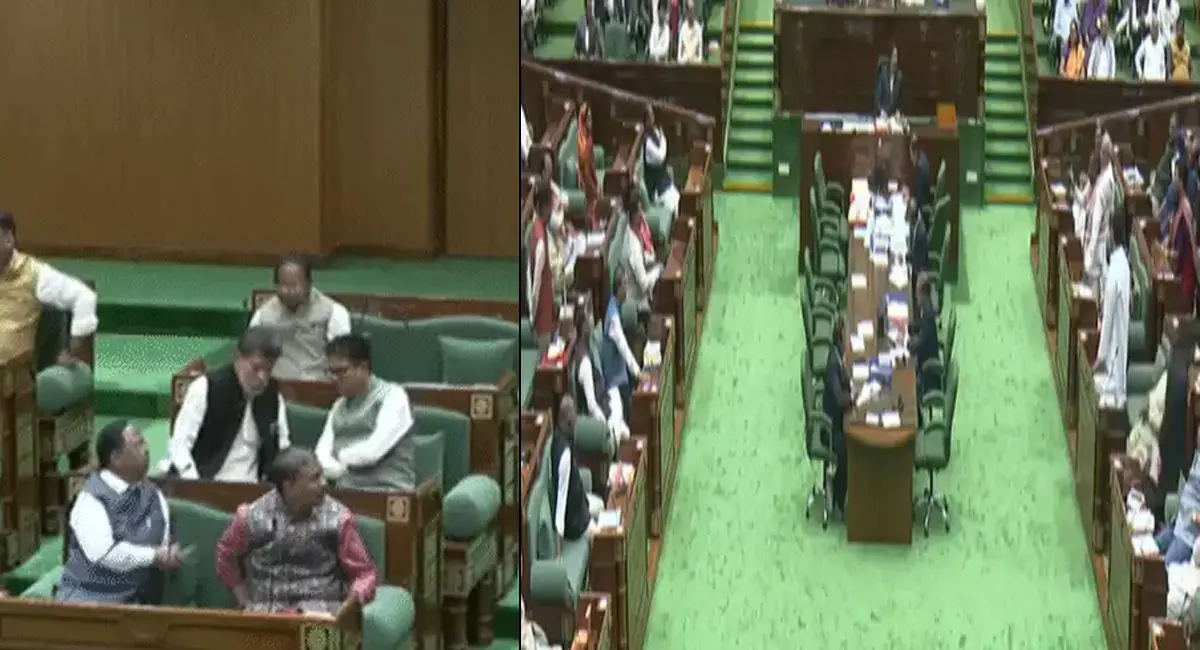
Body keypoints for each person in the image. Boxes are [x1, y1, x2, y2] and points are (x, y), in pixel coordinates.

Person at [215, 448, 378, 613]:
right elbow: (226, 555)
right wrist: (243, 600)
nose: (324, 483)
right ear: (288, 485)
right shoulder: (250, 517)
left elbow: (364, 573)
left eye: (322, 475)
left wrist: (351, 603)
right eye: (314, 478)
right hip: (265, 614)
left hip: (320, 615)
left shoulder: (338, 518)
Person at [58, 421, 181, 604]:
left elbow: (164, 541)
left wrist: (170, 553)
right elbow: (105, 554)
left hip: (139, 603)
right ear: (116, 458)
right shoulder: (91, 499)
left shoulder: (154, 495)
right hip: (90, 600)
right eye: (138, 445)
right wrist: (154, 555)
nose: (146, 450)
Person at [164, 326, 291, 481]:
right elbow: (179, 445)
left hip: (254, 487)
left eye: (268, 370)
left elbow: (282, 448)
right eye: (256, 368)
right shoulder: (205, 388)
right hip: (206, 482)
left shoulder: (273, 397)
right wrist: (196, 484)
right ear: (237, 357)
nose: (262, 378)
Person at [315, 334, 417, 491]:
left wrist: (340, 457)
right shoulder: (338, 406)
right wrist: (335, 468)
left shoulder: (393, 396)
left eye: (341, 371)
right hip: (346, 491)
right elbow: (321, 454)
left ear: (363, 367)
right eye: (331, 372)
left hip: (387, 490)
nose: (334, 378)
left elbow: (372, 452)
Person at [0, 212, 97, 365]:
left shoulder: (34, 273)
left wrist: (73, 350)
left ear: (8, 239)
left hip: (12, 373)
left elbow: (85, 297)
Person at [248, 256, 352, 382]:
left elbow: (342, 357)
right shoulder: (263, 316)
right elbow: (252, 357)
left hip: (319, 384)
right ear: (275, 286)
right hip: (278, 385)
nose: (289, 291)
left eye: (295, 285)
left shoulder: (333, 311)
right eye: (284, 285)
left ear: (309, 284)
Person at [548, 397, 604, 554]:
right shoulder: (564, 455)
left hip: (581, 504)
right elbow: (561, 500)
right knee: (604, 541)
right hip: (575, 523)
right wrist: (558, 548)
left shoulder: (558, 436)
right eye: (574, 419)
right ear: (569, 422)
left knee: (600, 504)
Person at [1094, 215, 1130, 406]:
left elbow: (1107, 319)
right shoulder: (1122, 262)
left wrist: (1100, 358)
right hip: (1117, 349)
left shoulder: (1116, 271)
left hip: (1113, 357)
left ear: (1112, 234)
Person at [600, 272, 641, 422]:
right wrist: (637, 372)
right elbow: (622, 346)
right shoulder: (613, 318)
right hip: (614, 377)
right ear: (618, 288)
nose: (627, 289)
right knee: (629, 410)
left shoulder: (615, 303)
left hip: (621, 370)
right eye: (625, 285)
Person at [526, 181, 559, 356]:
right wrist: (533, 316)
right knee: (543, 359)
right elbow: (535, 282)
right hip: (542, 315)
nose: (551, 210)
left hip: (546, 309)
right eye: (549, 206)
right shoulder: (539, 239)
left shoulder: (538, 228)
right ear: (541, 207)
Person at [824, 317, 852, 516]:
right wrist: (854, 397)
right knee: (848, 452)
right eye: (846, 338)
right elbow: (839, 398)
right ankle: (838, 498)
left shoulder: (838, 356)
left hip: (838, 419)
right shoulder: (833, 363)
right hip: (830, 426)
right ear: (840, 339)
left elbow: (845, 382)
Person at [623, 190, 662, 331]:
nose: (642, 214)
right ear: (633, 217)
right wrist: (657, 271)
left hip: (639, 292)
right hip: (636, 303)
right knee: (661, 273)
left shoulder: (632, 232)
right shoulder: (632, 246)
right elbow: (644, 284)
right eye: (640, 211)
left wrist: (649, 259)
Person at [1083, 135, 1117, 288]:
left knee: (1094, 281)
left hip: (1097, 242)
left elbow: (1096, 222)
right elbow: (1085, 201)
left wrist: (1090, 253)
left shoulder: (1105, 184)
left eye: (1102, 152)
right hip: (1093, 238)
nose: (1099, 155)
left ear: (1107, 155)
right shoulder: (1101, 174)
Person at [1167, 159, 1196, 311]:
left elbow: (1181, 250)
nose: (1174, 183)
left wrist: (1169, 257)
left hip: (1185, 277)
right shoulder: (1180, 206)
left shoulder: (1185, 211)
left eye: (1176, 179)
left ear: (1181, 181)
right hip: (1181, 270)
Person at [909, 273, 941, 402]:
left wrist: (907, 343)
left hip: (929, 378)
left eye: (917, 293)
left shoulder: (928, 314)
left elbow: (917, 345)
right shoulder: (926, 309)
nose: (916, 297)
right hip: (926, 360)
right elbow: (920, 326)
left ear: (922, 294)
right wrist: (912, 327)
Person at [643, 106, 679, 214]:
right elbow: (660, 156)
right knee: (671, 204)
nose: (652, 118)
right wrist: (663, 139)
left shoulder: (656, 131)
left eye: (652, 115)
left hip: (663, 181)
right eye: (649, 116)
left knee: (677, 198)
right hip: (655, 187)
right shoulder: (645, 139)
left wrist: (662, 137)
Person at [577, 104, 602, 227]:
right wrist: (594, 186)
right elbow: (585, 171)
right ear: (584, 120)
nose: (591, 122)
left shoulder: (589, 137)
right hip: (585, 180)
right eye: (589, 119)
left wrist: (596, 182)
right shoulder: (582, 143)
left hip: (590, 176)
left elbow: (592, 166)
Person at [873, 44, 902, 118]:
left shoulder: (899, 75)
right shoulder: (883, 73)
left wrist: (898, 111)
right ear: (890, 57)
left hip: (892, 116)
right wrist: (881, 111)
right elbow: (878, 96)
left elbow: (899, 100)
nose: (896, 60)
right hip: (881, 114)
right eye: (894, 56)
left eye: (897, 57)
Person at [910, 135, 932, 215]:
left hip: (924, 202)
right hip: (925, 198)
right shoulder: (922, 157)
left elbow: (920, 189)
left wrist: (915, 201)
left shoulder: (921, 167)